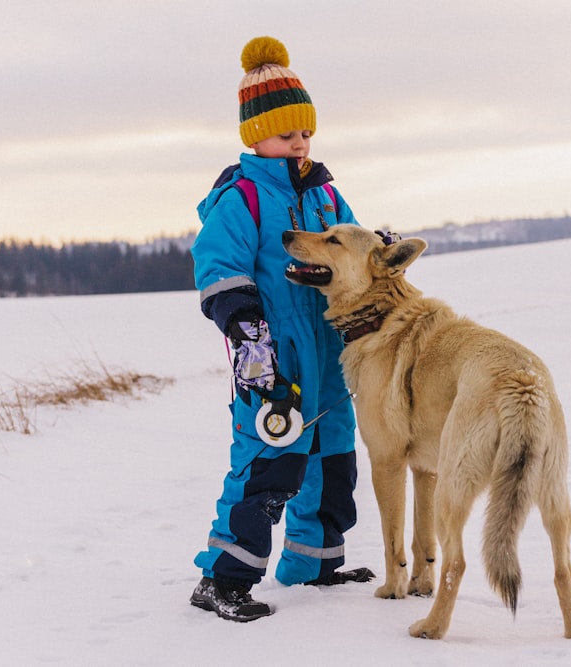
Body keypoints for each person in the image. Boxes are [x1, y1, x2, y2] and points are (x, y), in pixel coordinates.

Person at [188, 36, 373, 623]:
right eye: (287, 133)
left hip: (329, 354)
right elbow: (221, 275)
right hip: (273, 358)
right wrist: (250, 340)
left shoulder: (324, 194)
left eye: (306, 133)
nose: (300, 143)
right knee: (269, 465)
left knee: (332, 459)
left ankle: (314, 562)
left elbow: (354, 247)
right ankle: (223, 577)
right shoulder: (240, 199)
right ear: (255, 136)